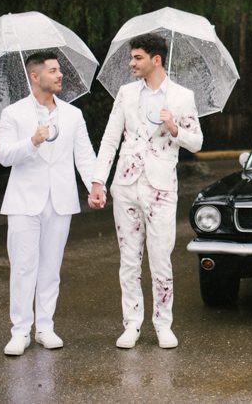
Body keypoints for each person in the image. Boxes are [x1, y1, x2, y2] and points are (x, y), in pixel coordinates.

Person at [89, 34, 202, 349]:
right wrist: (98, 181)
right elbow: (110, 139)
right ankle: (132, 324)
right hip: (125, 186)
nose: (131, 63)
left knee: (160, 258)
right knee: (128, 258)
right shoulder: (125, 94)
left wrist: (174, 127)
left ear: (156, 59)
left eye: (137, 58)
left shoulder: (181, 97)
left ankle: (163, 324)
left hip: (162, 187)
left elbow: (197, 141)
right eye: (131, 57)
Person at [0, 50, 101, 356]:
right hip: (24, 201)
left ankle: (45, 327)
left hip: (61, 199)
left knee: (51, 267)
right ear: (35, 76)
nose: (59, 75)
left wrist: (94, 184)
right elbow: (3, 156)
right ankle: (20, 331)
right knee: (23, 266)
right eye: (53, 71)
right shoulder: (13, 113)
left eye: (59, 71)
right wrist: (32, 141)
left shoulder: (72, 114)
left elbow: (84, 154)